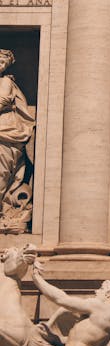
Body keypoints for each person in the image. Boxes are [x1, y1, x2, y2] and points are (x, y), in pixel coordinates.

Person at [0, 50, 35, 228]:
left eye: (3, 63)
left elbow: (2, 101)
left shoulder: (5, 82)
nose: (1, 65)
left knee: (2, 173)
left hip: (5, 132)